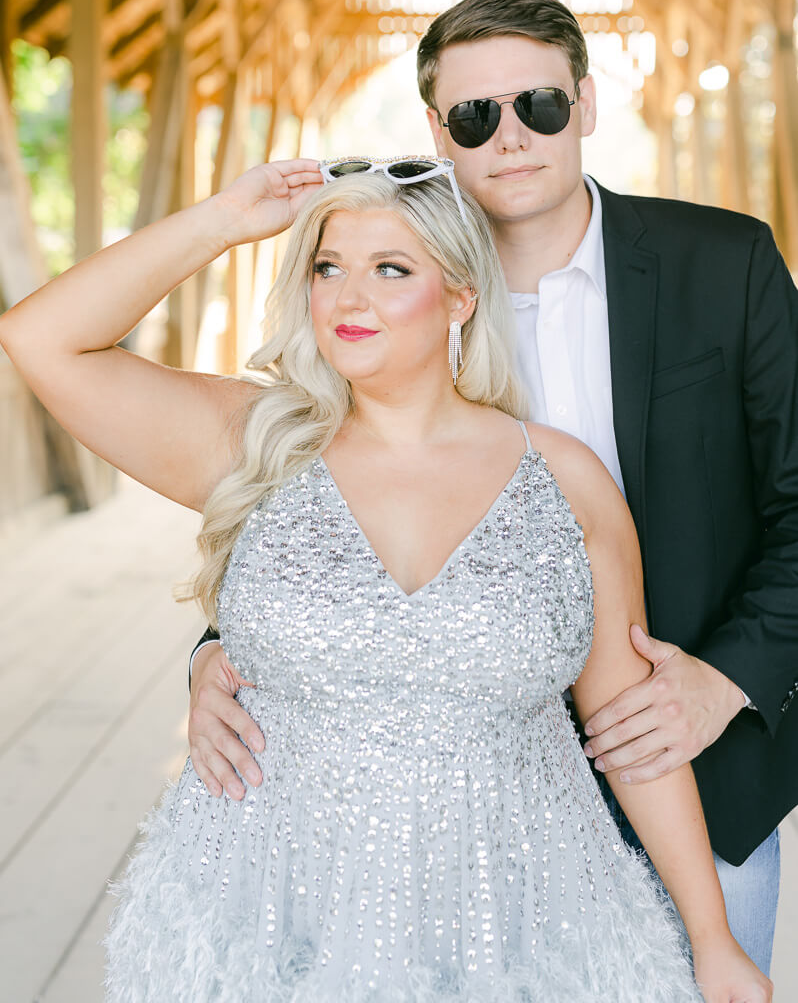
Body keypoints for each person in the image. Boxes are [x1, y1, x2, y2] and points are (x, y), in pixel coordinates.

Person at [0, 164, 769, 1000]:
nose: (346, 298)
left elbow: (631, 730)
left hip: (524, 920)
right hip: (270, 914)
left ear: (461, 297)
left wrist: (712, 937)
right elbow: (42, 338)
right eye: (328, 267)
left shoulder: (568, 482)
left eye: (390, 269)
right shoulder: (254, 445)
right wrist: (225, 219)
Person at [189, 0, 798, 978]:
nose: (511, 137)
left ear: (587, 105)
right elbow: (309, 493)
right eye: (476, 116)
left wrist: (725, 677)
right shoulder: (390, 296)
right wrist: (215, 652)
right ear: (438, 129)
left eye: (541, 106)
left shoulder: (722, 264)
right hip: (443, 820)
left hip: (682, 759)